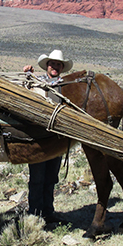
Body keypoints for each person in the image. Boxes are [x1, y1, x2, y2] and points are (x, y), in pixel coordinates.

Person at [22, 49, 73, 224]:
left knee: (50, 178)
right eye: (53, 64)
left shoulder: (65, 85)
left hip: (56, 141)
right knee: (37, 178)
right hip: (39, 140)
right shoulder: (38, 81)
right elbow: (26, 87)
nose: (55, 67)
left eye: (58, 64)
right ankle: (35, 215)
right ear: (47, 66)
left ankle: (48, 213)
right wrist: (27, 74)